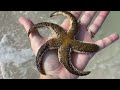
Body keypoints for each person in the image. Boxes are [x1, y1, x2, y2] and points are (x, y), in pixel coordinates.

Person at [19, 11, 119, 79]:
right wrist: (50, 75)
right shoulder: (64, 38)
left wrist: (48, 76)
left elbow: (57, 24)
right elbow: (69, 23)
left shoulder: (67, 35)